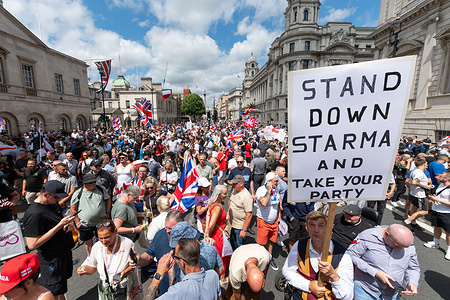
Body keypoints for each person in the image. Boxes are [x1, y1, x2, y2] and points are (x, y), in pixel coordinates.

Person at [282, 211, 354, 300]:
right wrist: (308, 286)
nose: (316, 230)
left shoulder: (342, 254)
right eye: (312, 225)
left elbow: (347, 296)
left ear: (329, 228)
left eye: (321, 225)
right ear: (306, 227)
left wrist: (333, 275)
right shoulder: (299, 245)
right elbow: (288, 270)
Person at [22, 181, 75, 300]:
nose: (58, 200)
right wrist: (59, 226)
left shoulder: (51, 204)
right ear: (46, 194)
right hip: (52, 258)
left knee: (61, 288)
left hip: (63, 252)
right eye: (56, 197)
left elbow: (58, 218)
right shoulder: (34, 214)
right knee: (54, 291)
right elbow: (32, 244)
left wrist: (67, 224)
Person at [347, 224, 420, 299]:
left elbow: (413, 267)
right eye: (397, 245)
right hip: (366, 290)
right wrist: (375, 272)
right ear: (387, 234)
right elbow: (350, 255)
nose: (400, 249)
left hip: (392, 294)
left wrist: (412, 282)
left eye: (404, 247)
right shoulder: (367, 236)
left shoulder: (406, 243)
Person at [76, 220, 139, 300]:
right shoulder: (97, 247)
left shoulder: (127, 244)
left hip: (124, 287)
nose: (103, 241)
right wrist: (84, 270)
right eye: (100, 238)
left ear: (115, 231)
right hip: (105, 289)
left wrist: (124, 272)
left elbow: (134, 263)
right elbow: (92, 268)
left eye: (107, 237)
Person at [143, 238, 221, 300]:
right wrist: (172, 278)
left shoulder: (180, 290)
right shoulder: (213, 276)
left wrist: (159, 273)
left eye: (175, 256)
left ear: (183, 262)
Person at [70, 173, 112, 256]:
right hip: (85, 224)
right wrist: (77, 222)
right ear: (85, 183)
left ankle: (105, 256)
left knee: (104, 240)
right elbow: (72, 208)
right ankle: (91, 257)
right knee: (88, 241)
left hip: (101, 222)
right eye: (91, 182)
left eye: (94, 181)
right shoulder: (79, 192)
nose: (93, 184)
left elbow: (108, 200)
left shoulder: (100, 189)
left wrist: (107, 213)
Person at [205, 184, 231, 283]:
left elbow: (208, 215)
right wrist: (208, 232)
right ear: (219, 194)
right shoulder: (217, 208)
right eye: (224, 194)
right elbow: (212, 225)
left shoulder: (211, 202)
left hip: (215, 233)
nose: (226, 195)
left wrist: (206, 231)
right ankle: (222, 278)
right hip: (218, 235)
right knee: (221, 257)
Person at [255, 172, 281, 270]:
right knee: (262, 243)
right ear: (269, 182)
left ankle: (270, 257)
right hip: (263, 221)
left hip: (274, 221)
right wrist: (269, 191)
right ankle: (261, 259)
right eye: (276, 181)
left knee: (271, 241)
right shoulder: (261, 190)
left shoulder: (276, 189)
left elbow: (278, 204)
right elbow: (264, 203)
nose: (278, 183)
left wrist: (279, 217)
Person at [424, 172, 450, 260]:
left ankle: (449, 250)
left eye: (441, 176)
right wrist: (435, 198)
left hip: (446, 213)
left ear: (446, 179)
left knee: (448, 232)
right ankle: (436, 243)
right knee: (436, 227)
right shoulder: (441, 185)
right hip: (436, 210)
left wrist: (437, 199)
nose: (438, 177)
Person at [404, 158, 433, 231]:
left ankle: (413, 223)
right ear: (424, 164)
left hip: (414, 193)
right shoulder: (419, 172)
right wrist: (425, 186)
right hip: (420, 194)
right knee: (425, 211)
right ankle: (408, 221)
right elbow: (414, 182)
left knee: (415, 207)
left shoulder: (414, 171)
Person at [227, 175, 253, 249]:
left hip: (239, 226)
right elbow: (230, 201)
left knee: (240, 246)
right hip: (231, 224)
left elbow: (249, 215)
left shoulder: (247, 196)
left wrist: (244, 230)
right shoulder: (234, 190)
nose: (233, 185)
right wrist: (228, 212)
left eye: (235, 183)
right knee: (232, 243)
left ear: (241, 184)